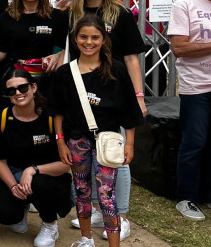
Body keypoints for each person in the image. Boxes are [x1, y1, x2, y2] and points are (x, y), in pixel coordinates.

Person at [65, 0, 147, 235]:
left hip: (114, 90)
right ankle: (100, 212)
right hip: (80, 90)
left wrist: (138, 95)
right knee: (87, 156)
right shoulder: (71, 13)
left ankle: (120, 216)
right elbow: (65, 50)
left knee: (115, 154)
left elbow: (132, 57)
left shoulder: (120, 13)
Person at [50, 14, 143, 247]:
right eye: (83, 37)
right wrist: (60, 142)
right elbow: (57, 111)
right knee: (81, 191)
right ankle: (86, 239)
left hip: (108, 142)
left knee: (106, 195)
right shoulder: (65, 73)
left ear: (104, 39)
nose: (88, 42)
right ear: (75, 38)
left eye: (95, 37)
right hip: (75, 141)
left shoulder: (117, 70)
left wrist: (129, 143)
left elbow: (128, 111)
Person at [0, 68, 72, 247]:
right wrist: (13, 186)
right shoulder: (0, 119)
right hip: (14, 174)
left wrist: (33, 170)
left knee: (38, 183)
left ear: (34, 87)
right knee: (3, 212)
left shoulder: (51, 117)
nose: (18, 93)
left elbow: (66, 164)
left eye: (23, 88)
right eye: (12, 91)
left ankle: (50, 224)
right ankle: (21, 207)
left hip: (48, 177)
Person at [167, 0, 211, 221]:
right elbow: (179, 48)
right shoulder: (184, 4)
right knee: (194, 142)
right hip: (196, 87)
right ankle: (186, 198)